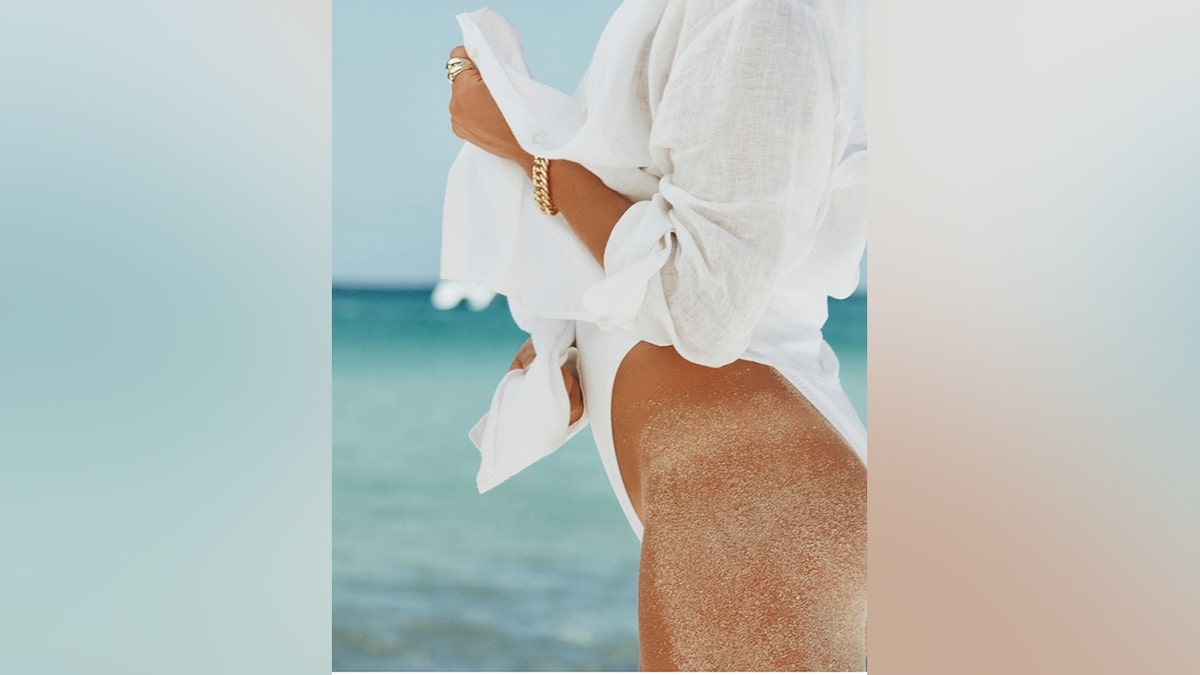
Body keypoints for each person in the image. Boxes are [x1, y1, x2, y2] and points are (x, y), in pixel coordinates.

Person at [445, 0, 867, 669]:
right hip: (737, 472)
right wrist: (585, 332)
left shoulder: (756, 12)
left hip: (750, 485)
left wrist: (526, 148)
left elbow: (706, 304)